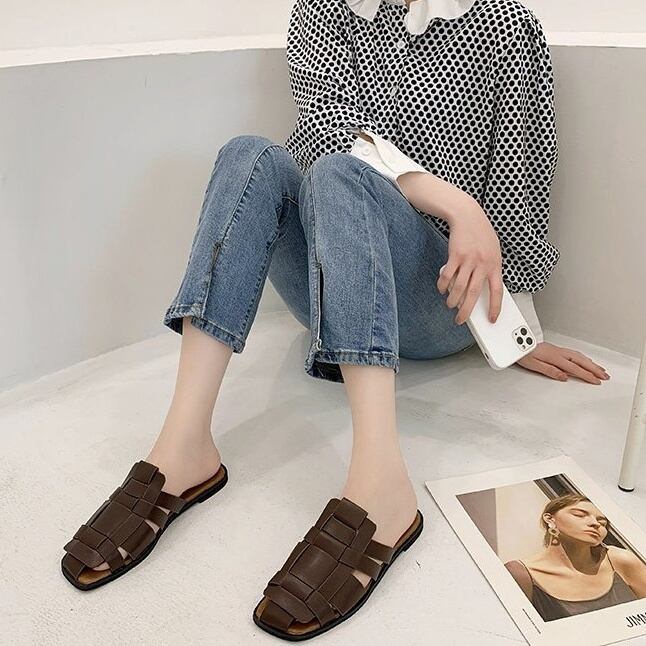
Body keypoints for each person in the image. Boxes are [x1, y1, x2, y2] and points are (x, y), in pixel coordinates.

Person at [61, 0, 611, 640]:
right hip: (331, 280)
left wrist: (517, 332)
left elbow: (522, 192)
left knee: (341, 174)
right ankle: (184, 447)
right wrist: (455, 201)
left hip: (439, 299)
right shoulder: (323, 11)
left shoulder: (502, 24)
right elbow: (324, 140)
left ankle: (381, 484)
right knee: (250, 156)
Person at [505, 494, 646, 622]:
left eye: (602, 523)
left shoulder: (619, 560)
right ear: (549, 518)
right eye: (580, 515)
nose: (595, 523)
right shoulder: (521, 573)